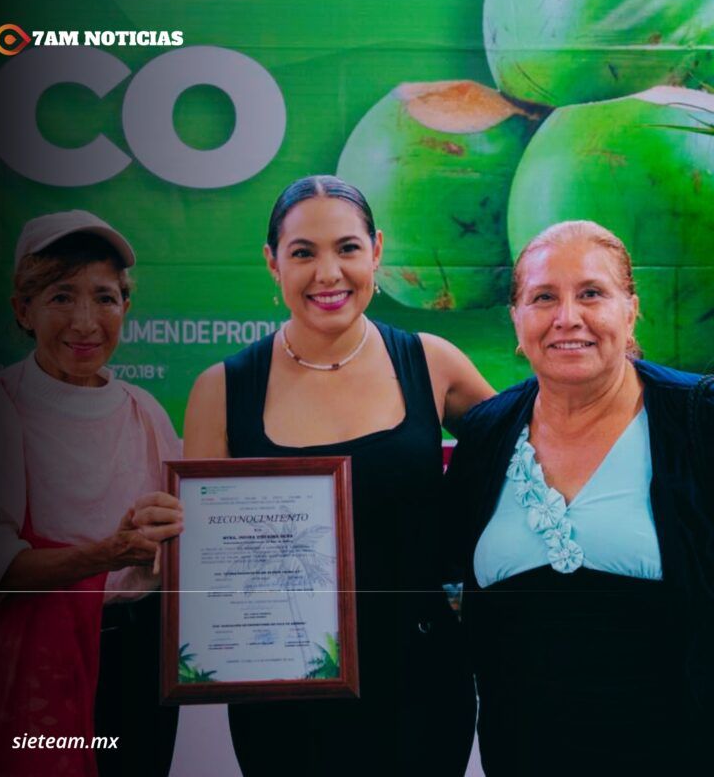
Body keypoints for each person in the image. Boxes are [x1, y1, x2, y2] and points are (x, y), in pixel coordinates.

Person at [183, 175, 494, 776]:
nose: (329, 274)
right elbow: (204, 566)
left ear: (376, 250)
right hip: (282, 698)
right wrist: (163, 543)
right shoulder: (220, 391)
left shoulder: (433, 363)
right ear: (272, 263)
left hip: (423, 688)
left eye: (347, 248)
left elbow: (522, 458)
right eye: (304, 253)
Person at [445, 220, 714, 775]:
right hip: (521, 754)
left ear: (630, 310)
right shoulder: (486, 435)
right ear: (516, 320)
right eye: (544, 297)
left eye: (591, 293)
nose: (568, 318)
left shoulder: (697, 419)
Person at [0, 210, 183, 777]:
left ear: (125, 310)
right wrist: (111, 553)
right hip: (40, 663)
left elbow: (184, 537)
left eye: (104, 298)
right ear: (22, 310)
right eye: (61, 296)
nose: (85, 322)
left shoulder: (145, 411)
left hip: (135, 662)